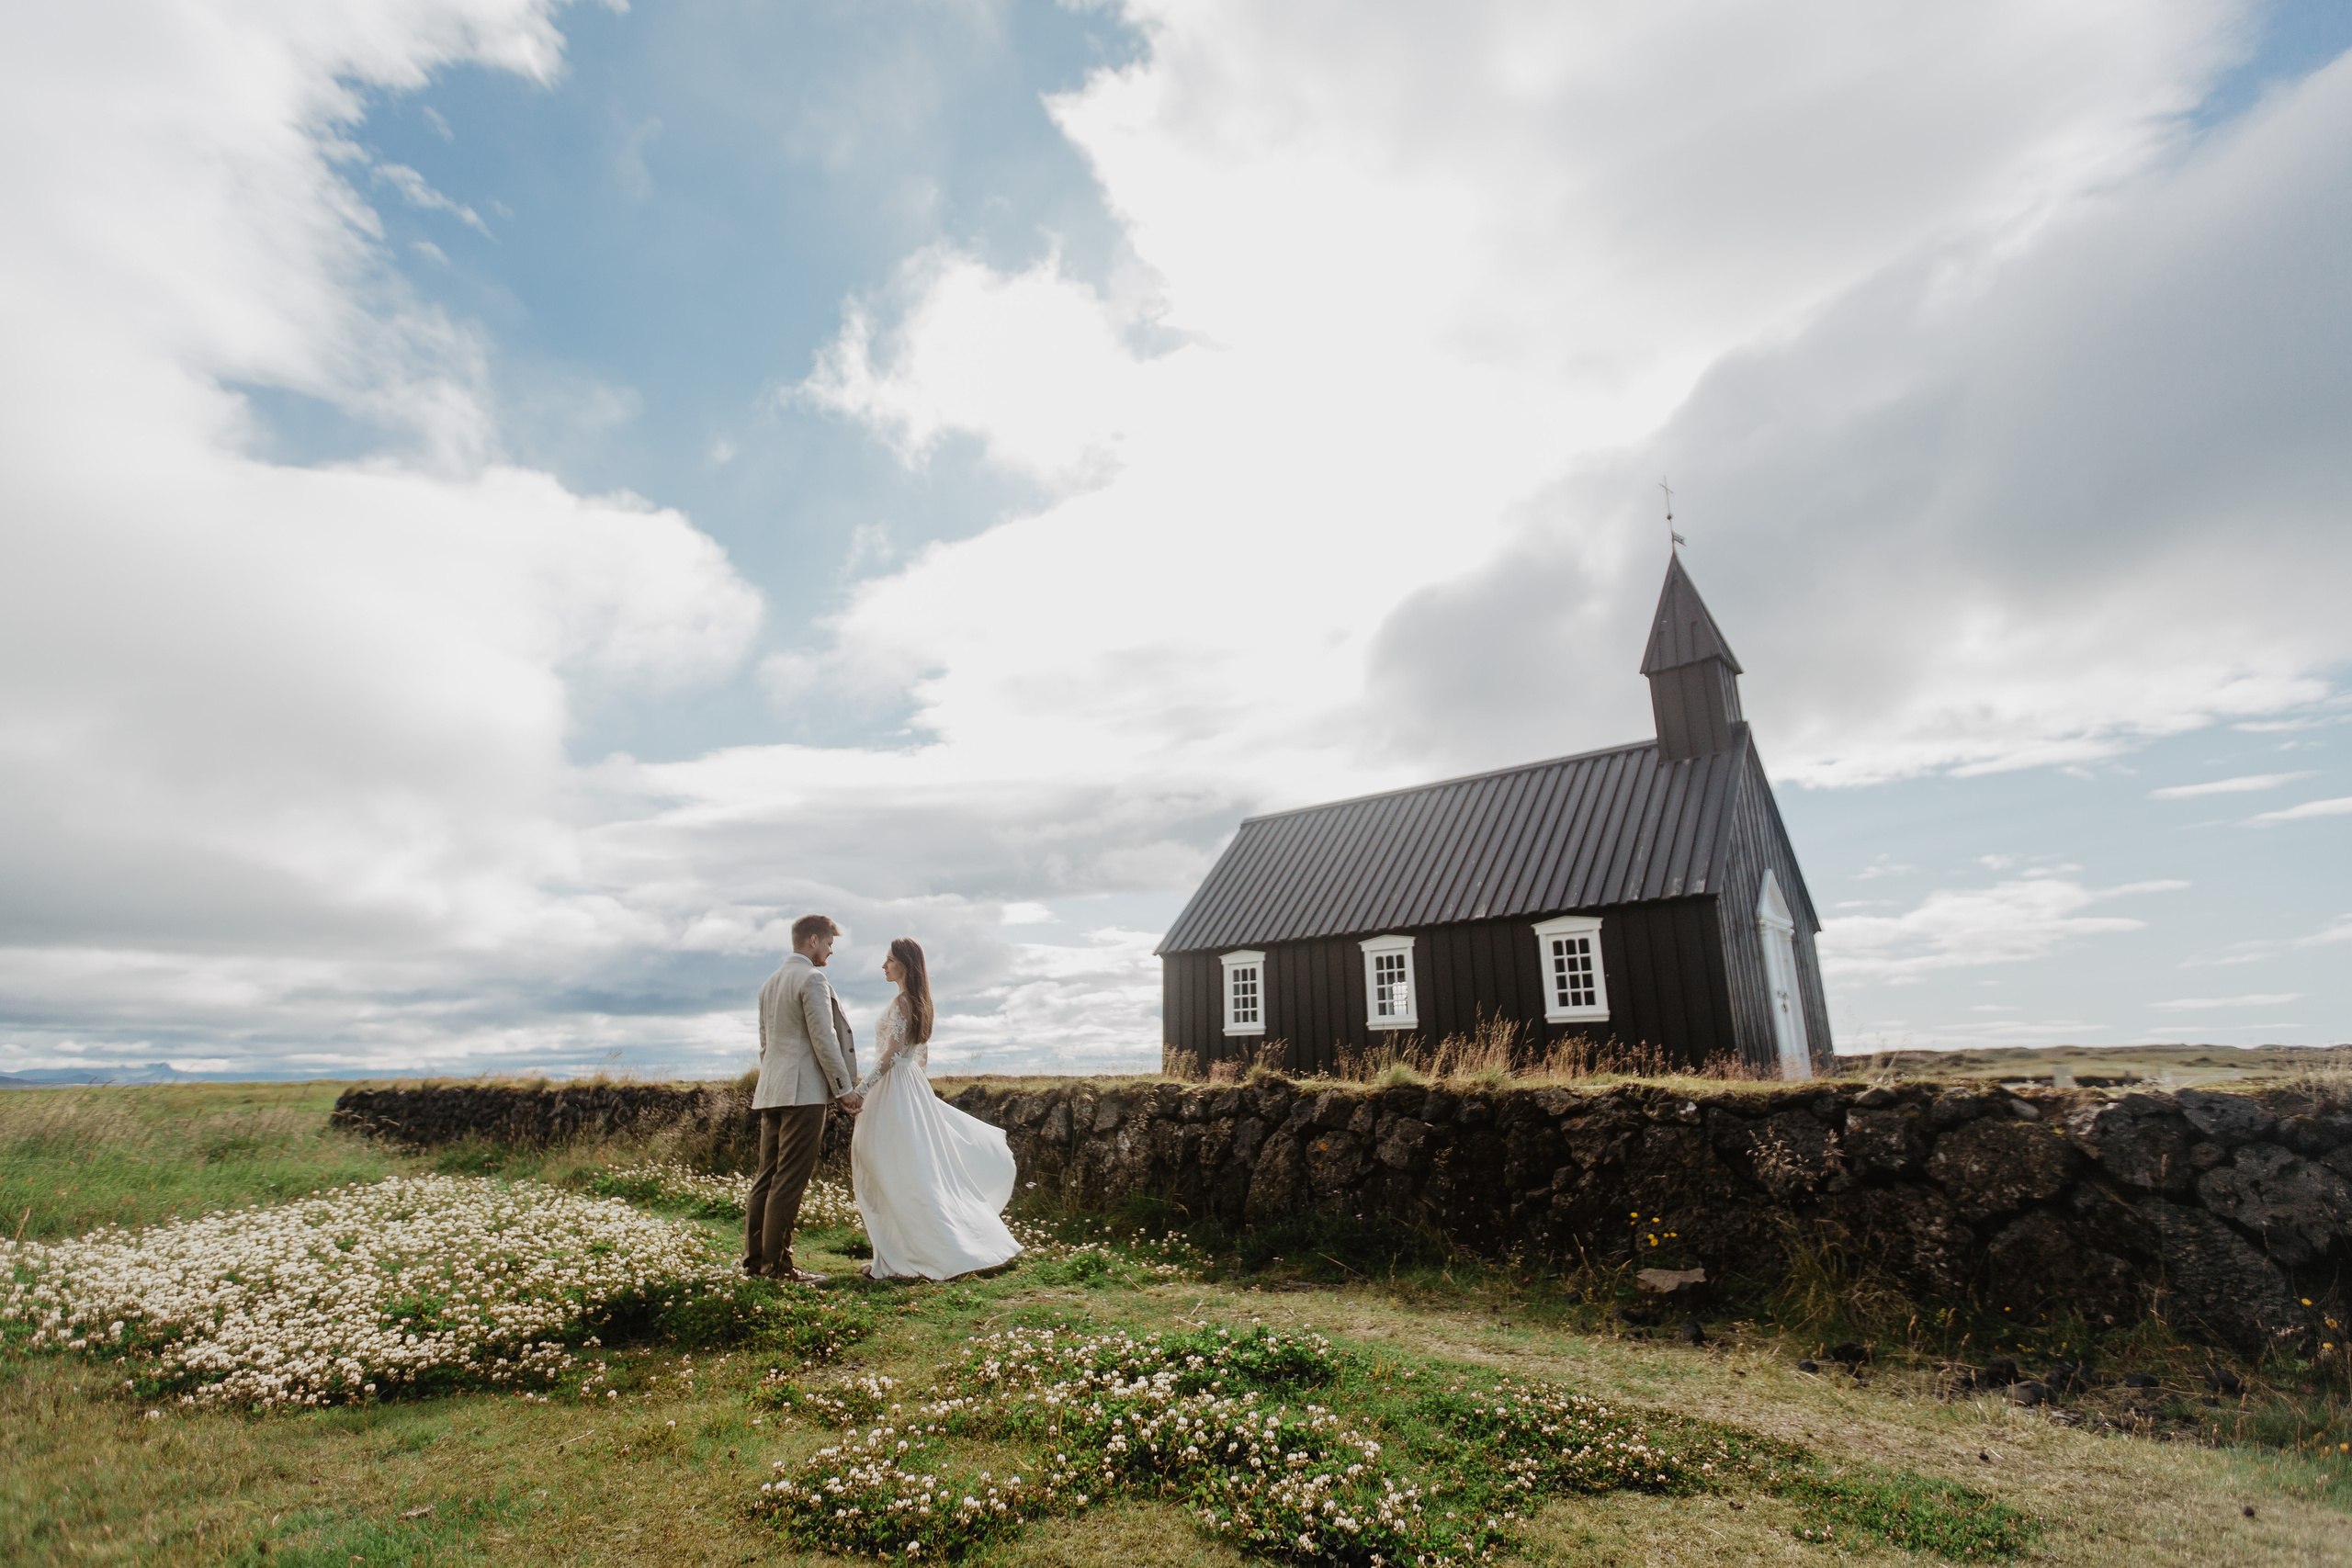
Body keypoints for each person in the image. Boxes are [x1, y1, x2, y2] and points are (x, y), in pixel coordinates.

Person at [848, 937, 1023, 1280]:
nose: (883, 966)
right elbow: (920, 1057)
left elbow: (891, 1053)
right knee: (905, 1169)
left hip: (894, 1087)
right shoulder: (919, 1002)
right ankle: (894, 1250)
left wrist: (862, 1091)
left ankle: (912, 1252)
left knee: (892, 1169)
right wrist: (916, 1093)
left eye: (889, 960)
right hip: (908, 1085)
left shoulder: (902, 1003)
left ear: (905, 965)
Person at [746, 913, 860, 1283]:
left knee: (766, 1177)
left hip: (772, 1089)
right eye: (829, 943)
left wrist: (773, 1081)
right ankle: (778, 1268)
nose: (830, 951)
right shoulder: (812, 978)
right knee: (789, 1180)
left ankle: (754, 1262)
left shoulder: (769, 983)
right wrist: (843, 1088)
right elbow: (824, 1038)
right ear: (812, 940)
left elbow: (765, 1044)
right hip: (803, 1093)